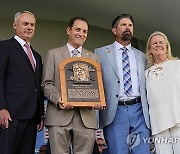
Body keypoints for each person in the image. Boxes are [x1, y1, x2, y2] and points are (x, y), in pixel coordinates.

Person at [41, 17, 102, 154]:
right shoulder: (53, 54)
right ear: (69, 30)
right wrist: (58, 99)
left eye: (85, 31)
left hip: (86, 118)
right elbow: (46, 83)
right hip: (59, 115)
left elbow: (97, 86)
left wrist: (98, 100)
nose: (81, 33)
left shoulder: (94, 58)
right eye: (78, 29)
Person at [94, 14, 151, 154]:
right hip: (115, 111)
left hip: (140, 112)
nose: (128, 28)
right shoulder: (100, 53)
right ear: (114, 30)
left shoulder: (142, 56)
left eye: (130, 25)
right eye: (123, 25)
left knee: (143, 151)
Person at [0, 11, 44, 154]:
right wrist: (2, 108)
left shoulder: (37, 56)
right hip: (11, 115)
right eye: (25, 23)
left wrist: (40, 114)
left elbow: (38, 85)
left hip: (32, 118)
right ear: (15, 25)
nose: (29, 27)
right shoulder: (4, 47)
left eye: (32, 24)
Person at [145, 31, 180, 154]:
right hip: (158, 123)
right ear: (150, 50)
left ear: (166, 47)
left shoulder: (177, 65)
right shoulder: (146, 72)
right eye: (154, 43)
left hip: (177, 120)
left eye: (161, 42)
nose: (158, 45)